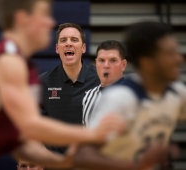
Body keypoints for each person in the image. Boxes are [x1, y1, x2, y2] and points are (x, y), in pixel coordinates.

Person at [0, 0, 117, 169]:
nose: (50, 22)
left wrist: (63, 162)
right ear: (23, 19)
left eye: (74, 39)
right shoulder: (9, 60)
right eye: (44, 14)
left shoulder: (18, 62)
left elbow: (20, 140)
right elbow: (31, 126)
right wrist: (92, 135)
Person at [73, 21, 186, 170]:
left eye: (112, 61)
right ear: (147, 63)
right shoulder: (120, 98)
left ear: (124, 64)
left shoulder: (177, 92)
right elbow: (82, 157)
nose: (179, 59)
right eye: (170, 54)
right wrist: (137, 165)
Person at [40, 23, 100, 153]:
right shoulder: (43, 82)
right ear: (57, 48)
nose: (68, 43)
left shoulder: (100, 80)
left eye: (74, 40)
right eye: (63, 40)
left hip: (90, 162)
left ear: (83, 48)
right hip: (55, 163)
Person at [82, 40, 127, 126]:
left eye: (113, 60)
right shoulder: (88, 96)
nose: (106, 65)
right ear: (96, 63)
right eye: (101, 60)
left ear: (123, 65)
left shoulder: (133, 95)